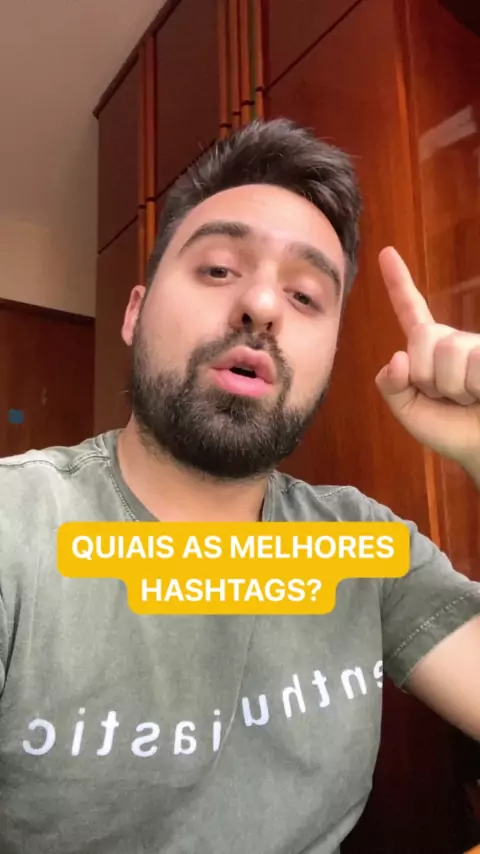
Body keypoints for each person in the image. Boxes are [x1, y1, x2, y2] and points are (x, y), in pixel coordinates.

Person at [0, 118, 479, 854]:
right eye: (220, 268)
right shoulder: (18, 528)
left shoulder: (365, 550)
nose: (263, 305)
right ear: (134, 313)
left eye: (306, 296)